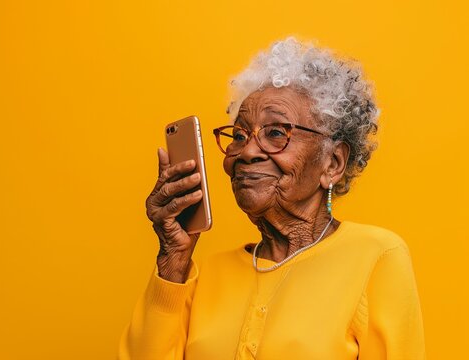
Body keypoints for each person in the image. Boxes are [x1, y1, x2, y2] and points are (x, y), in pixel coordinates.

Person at [118, 37, 425, 359]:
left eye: (277, 133)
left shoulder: (375, 256)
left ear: (332, 163)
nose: (247, 151)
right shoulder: (205, 274)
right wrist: (172, 259)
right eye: (239, 135)